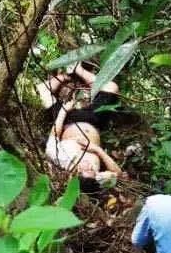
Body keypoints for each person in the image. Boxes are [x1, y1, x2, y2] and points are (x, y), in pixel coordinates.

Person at [37, 62, 123, 191]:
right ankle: (79, 70)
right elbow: (119, 175)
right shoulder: (97, 178)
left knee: (42, 90)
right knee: (112, 87)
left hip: (68, 120)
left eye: (85, 169)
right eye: (92, 169)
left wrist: (63, 112)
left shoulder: (61, 159)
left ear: (74, 175)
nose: (89, 166)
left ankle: (65, 76)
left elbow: (54, 134)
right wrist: (96, 150)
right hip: (94, 120)